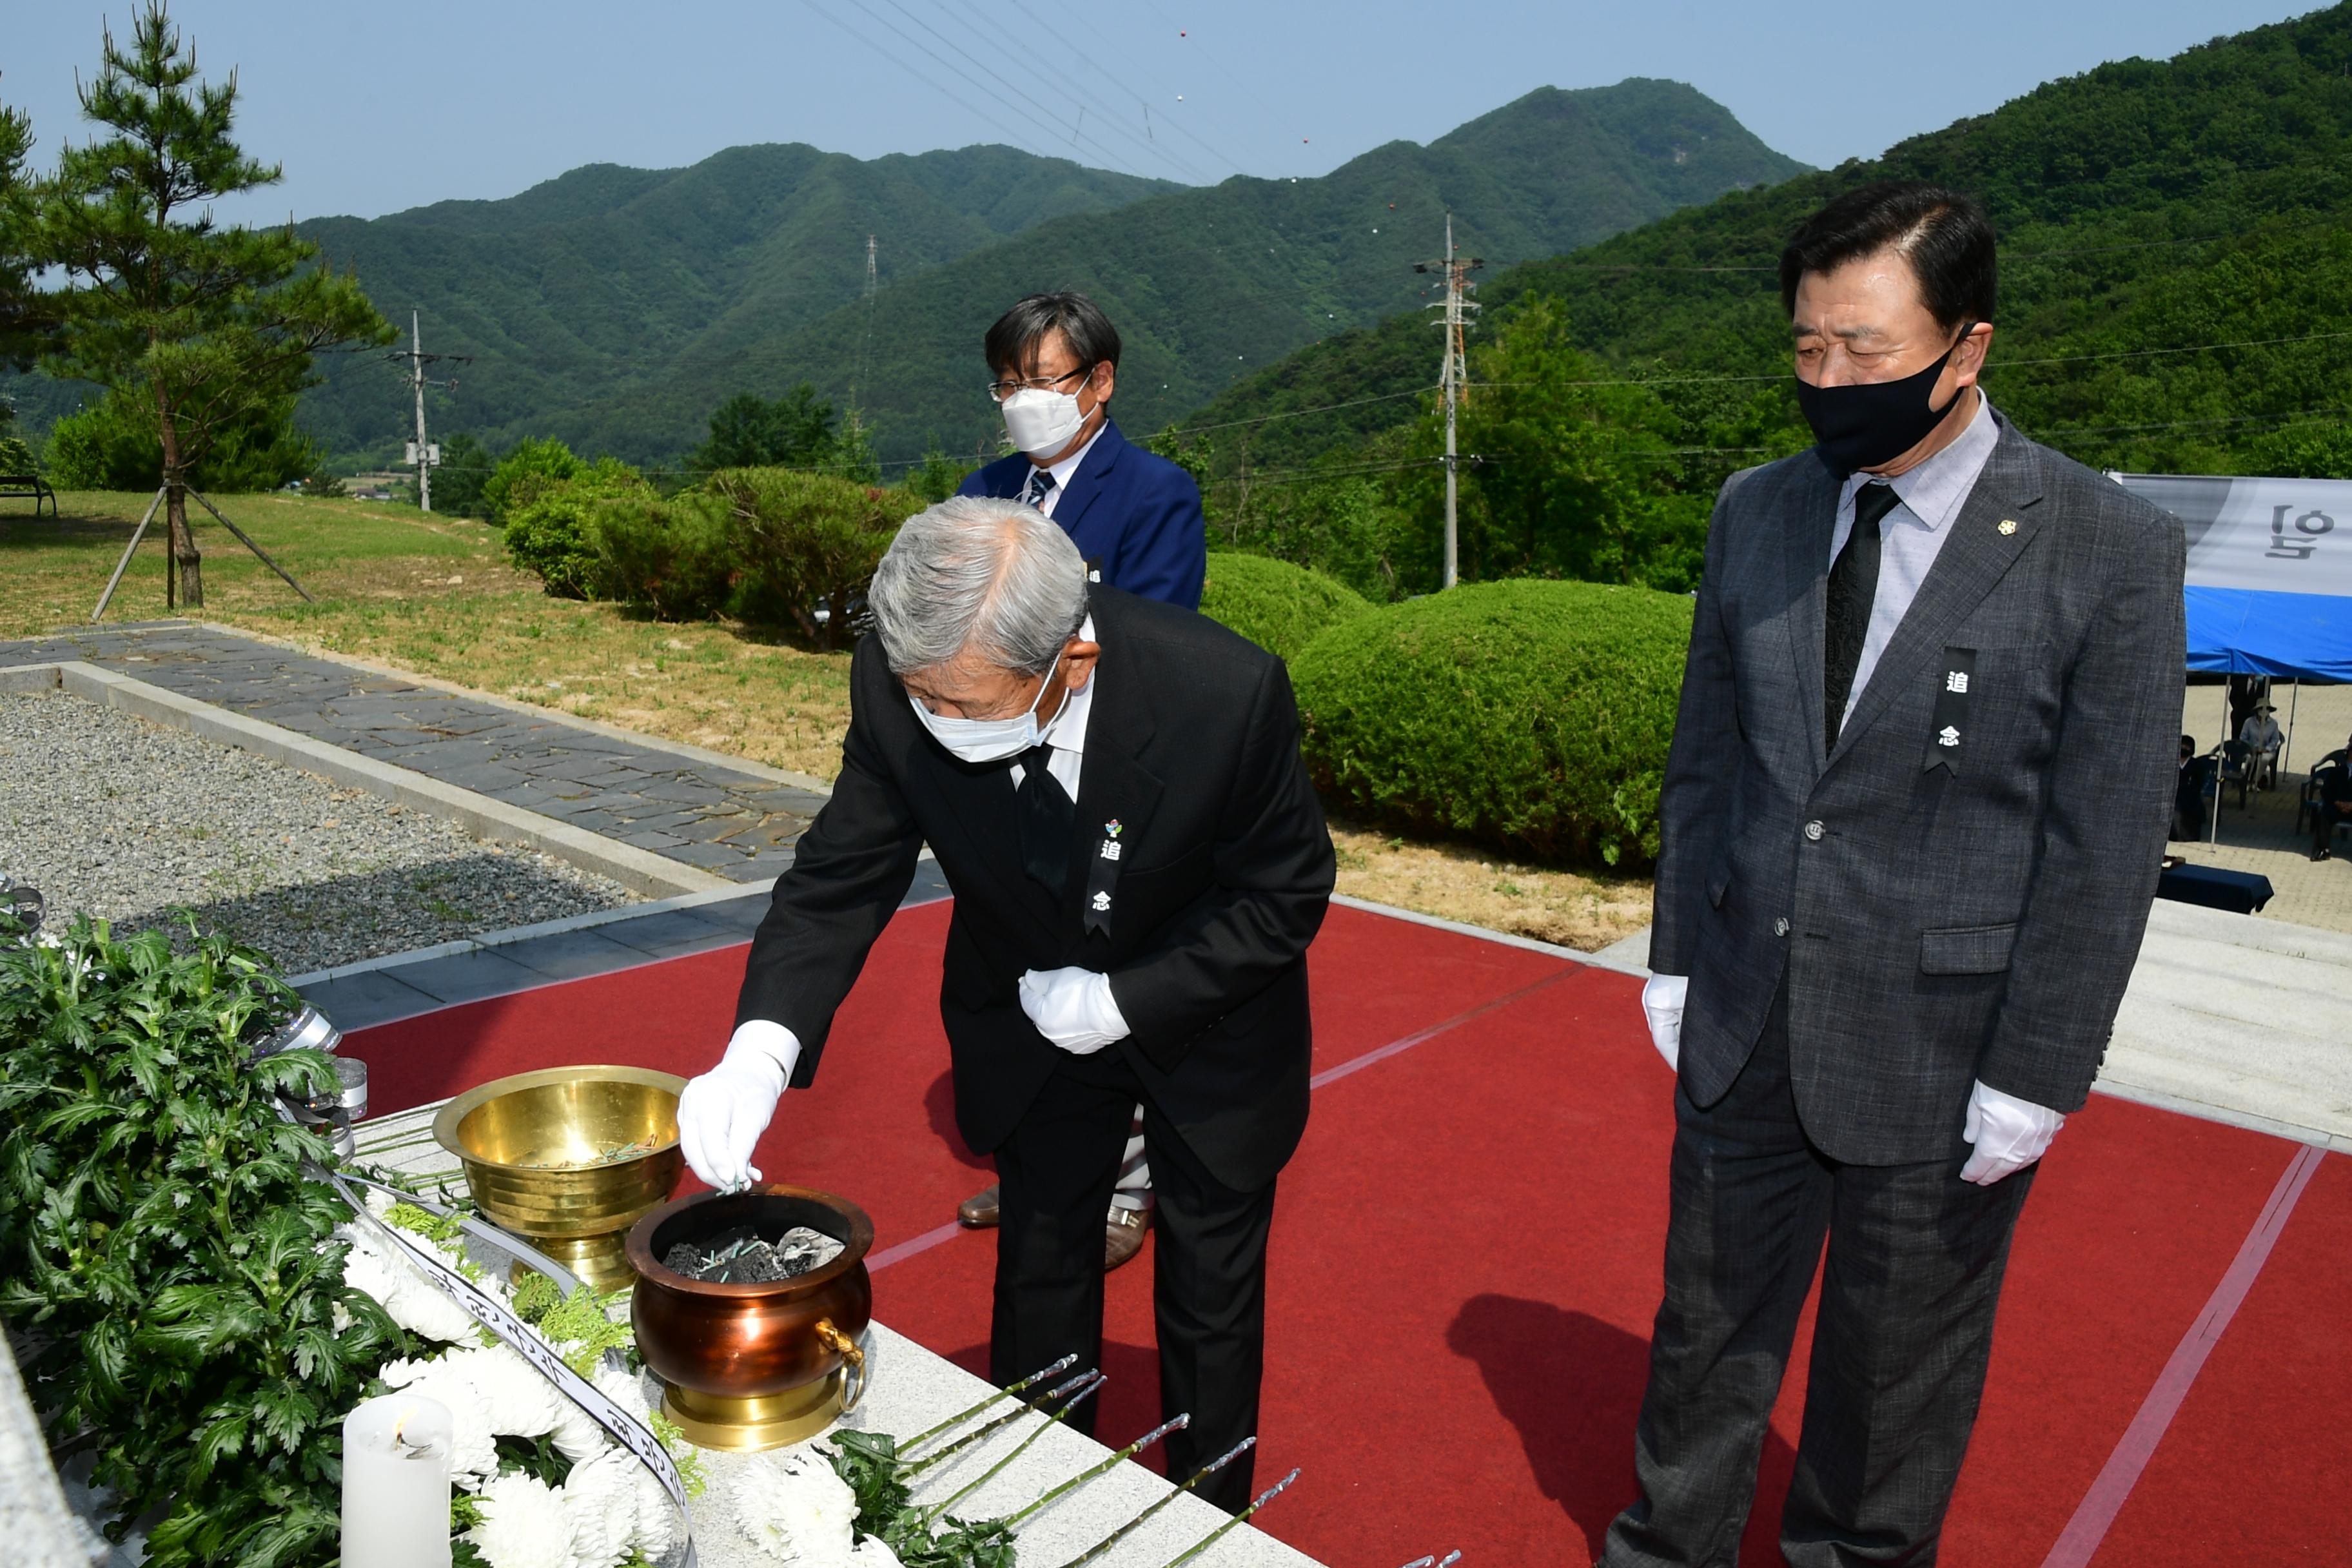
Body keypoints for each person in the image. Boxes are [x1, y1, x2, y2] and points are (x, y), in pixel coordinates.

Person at [1610, 182, 2184, 1567]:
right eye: (1806, 347)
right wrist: (1679, 954)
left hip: (1945, 1050)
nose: (1828, 379)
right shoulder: (1758, 511)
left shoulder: (2106, 549)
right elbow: (1710, 759)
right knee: (1703, 1343)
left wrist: (2038, 1071)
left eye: (1864, 350)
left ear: (1966, 347)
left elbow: (2102, 844)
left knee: (1890, 1391)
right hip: (1747, 1013)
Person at [674, 496, 1333, 1512]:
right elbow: (841, 874)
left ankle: (1208, 1517)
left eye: (968, 706)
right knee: (1041, 1260)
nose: (938, 721)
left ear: (1072, 659)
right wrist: (759, 1049)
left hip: (1207, 1016)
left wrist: (1126, 1000)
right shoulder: (905, 677)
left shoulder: (1223, 691)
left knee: (1210, 1297)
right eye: (920, 696)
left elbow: (1284, 895)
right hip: (1022, 1007)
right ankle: (1037, 1499)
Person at [954, 290, 1213, 1265]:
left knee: (1111, 974)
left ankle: (1128, 1188)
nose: (1025, 402)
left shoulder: (1155, 493)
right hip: (1007, 773)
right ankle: (1042, 1169)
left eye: (1044, 383)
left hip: (1113, 775)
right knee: (1025, 968)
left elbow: (1148, 634)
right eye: (1009, 385)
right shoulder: (986, 489)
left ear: (1099, 384)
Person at [2310, 735, 2352, 860]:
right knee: (2324, 816)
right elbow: (2326, 791)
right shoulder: (2337, 772)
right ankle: (2323, 849)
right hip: (2338, 806)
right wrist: (2337, 802)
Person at [2239, 701, 2283, 790]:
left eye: (2266, 709)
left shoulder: (2274, 724)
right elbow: (2243, 738)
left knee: (2264, 759)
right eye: (2261, 709)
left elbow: (2275, 740)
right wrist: (2251, 748)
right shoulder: (2248, 722)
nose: (2264, 711)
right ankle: (2247, 781)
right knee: (2250, 759)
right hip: (2251, 749)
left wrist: (2267, 749)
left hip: (2266, 751)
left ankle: (2254, 782)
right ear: (2257, 710)